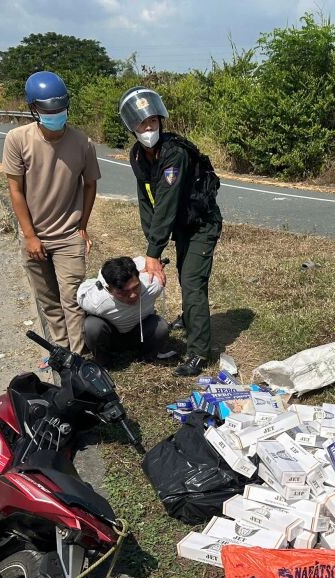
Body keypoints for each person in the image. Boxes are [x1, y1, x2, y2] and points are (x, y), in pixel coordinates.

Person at [118, 86, 223, 377]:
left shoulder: (175, 154)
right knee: (183, 271)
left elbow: (166, 203)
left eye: (153, 121)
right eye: (142, 123)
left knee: (192, 282)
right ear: (132, 127)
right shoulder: (138, 156)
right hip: (182, 225)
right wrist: (151, 244)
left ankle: (199, 352)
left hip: (201, 224)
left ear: (160, 121)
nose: (149, 128)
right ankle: (190, 319)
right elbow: (146, 199)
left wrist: (154, 252)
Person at [3, 71, 100, 362]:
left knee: (72, 300)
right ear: (34, 109)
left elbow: (90, 184)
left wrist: (83, 226)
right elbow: (15, 190)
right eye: (48, 110)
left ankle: (77, 359)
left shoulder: (83, 142)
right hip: (35, 235)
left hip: (69, 235)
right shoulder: (17, 139)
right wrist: (30, 236)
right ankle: (59, 352)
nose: (55, 115)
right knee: (48, 301)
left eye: (60, 108)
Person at [76, 256, 172, 366]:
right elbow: (82, 291)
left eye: (136, 287)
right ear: (109, 289)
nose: (133, 295)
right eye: (123, 292)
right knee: (92, 326)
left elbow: (144, 261)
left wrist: (154, 264)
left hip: (139, 332)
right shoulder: (95, 301)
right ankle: (104, 363)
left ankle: (146, 358)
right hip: (112, 337)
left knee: (160, 326)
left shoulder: (154, 285)